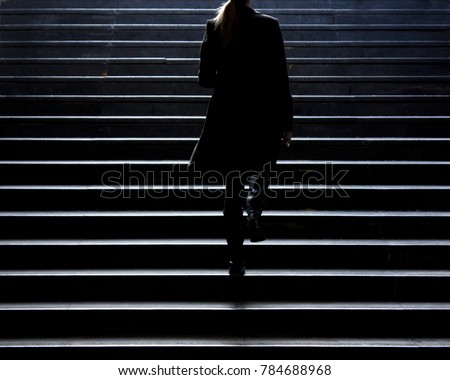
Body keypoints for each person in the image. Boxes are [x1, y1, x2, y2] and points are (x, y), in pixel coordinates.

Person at [189, 0, 294, 276]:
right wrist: (287, 121)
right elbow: (280, 77)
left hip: (228, 117)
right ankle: (255, 207)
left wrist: (229, 75)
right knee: (263, 169)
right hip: (261, 115)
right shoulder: (269, 26)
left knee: (231, 191)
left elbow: (205, 79)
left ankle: (236, 259)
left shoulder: (216, 26)